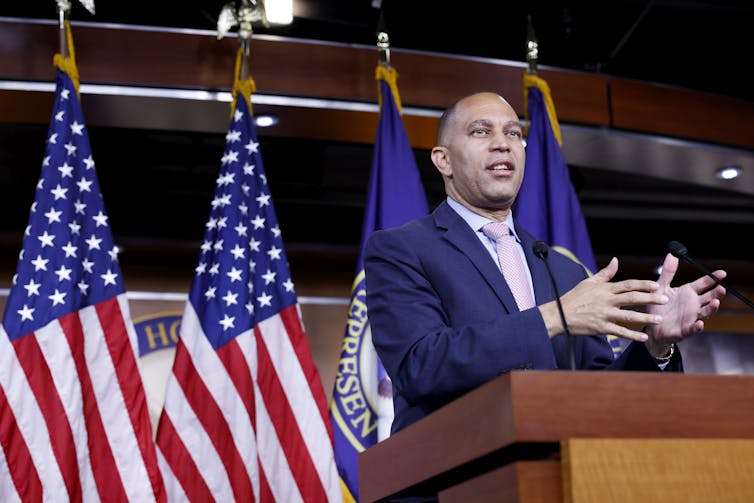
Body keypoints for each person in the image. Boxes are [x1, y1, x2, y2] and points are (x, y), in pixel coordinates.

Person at [364, 91, 727, 437]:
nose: (503, 142)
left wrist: (654, 346)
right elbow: (420, 366)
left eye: (512, 133)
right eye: (480, 131)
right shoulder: (401, 249)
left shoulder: (563, 271)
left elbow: (599, 393)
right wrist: (553, 318)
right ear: (443, 160)